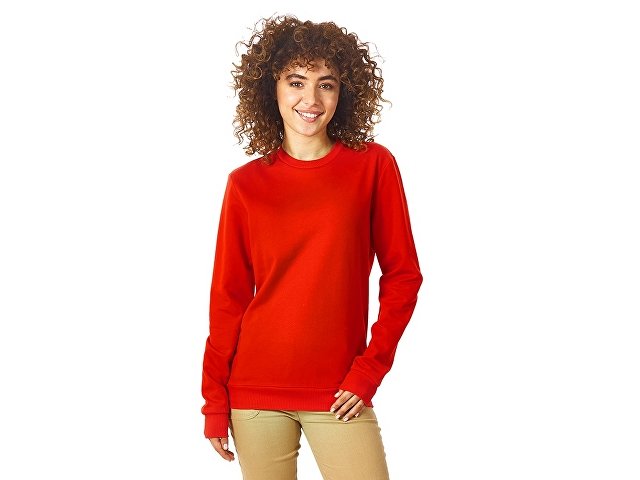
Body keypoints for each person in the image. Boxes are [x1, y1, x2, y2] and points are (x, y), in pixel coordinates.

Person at [201, 14, 423, 480]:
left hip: (340, 391)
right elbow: (228, 299)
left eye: (327, 84)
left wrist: (369, 370)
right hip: (254, 393)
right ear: (273, 89)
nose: (311, 99)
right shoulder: (245, 184)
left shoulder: (372, 166)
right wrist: (214, 400)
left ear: (344, 93)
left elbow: (403, 276)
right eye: (296, 82)